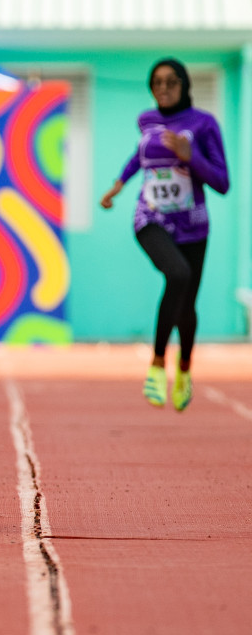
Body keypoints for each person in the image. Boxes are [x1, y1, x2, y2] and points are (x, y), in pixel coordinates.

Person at [99, 59, 229, 412]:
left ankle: (184, 369)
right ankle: (158, 364)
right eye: (157, 82)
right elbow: (139, 156)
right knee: (177, 274)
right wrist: (118, 185)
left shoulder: (204, 124)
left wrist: (191, 157)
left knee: (187, 306)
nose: (164, 88)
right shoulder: (146, 120)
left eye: (172, 81)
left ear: (185, 85)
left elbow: (222, 182)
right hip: (150, 218)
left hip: (193, 226)